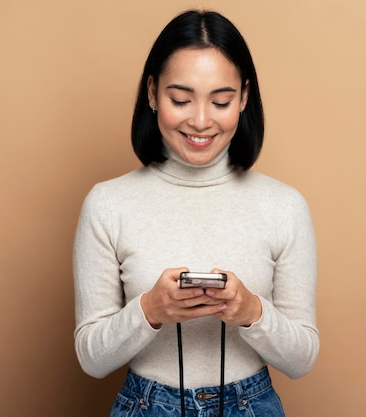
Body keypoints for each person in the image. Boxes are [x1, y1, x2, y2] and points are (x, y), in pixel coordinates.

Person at [73, 9, 319, 417]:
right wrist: (150, 310)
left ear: (243, 97)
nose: (201, 121)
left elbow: (302, 359)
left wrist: (251, 312)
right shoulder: (107, 203)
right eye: (181, 99)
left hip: (250, 404)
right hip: (147, 404)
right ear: (152, 93)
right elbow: (91, 359)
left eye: (220, 101)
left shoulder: (284, 206)